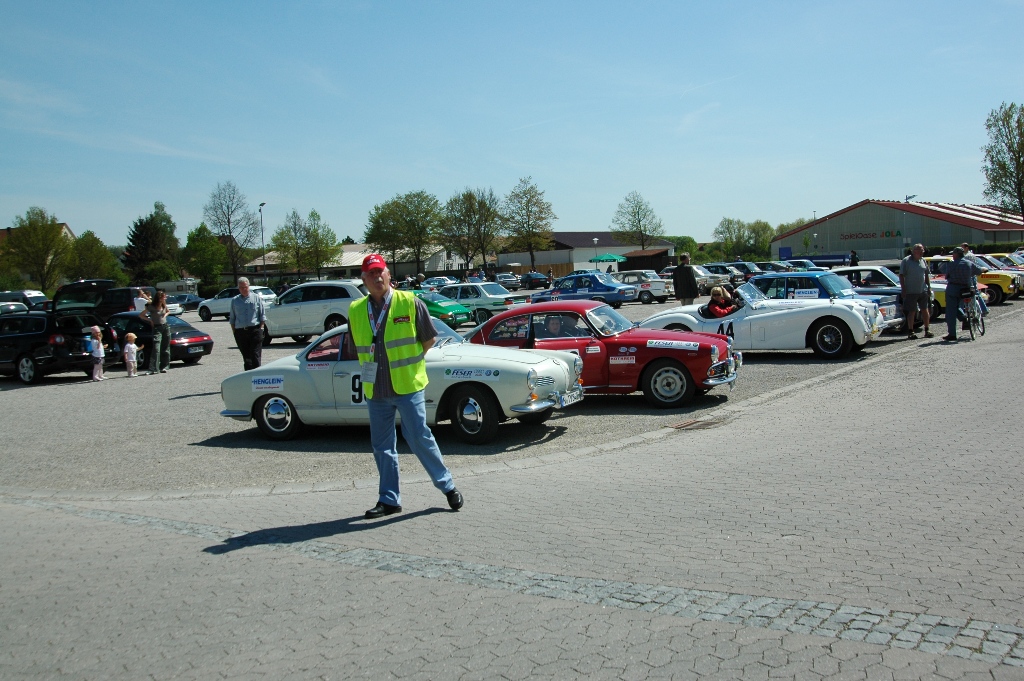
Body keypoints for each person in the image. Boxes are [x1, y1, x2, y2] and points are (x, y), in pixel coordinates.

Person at [347, 253, 463, 519]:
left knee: (419, 437)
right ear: (364, 279)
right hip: (376, 390)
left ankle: (447, 486)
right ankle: (389, 500)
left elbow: (429, 339)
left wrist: (410, 364)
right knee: (382, 446)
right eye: (371, 274)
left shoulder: (410, 302)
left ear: (389, 274)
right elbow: (355, 348)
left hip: (408, 386)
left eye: (380, 272)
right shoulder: (355, 310)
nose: (377, 277)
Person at [939, 247, 986, 341]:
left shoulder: (951, 264)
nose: (952, 255)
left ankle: (952, 333)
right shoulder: (969, 263)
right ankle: (965, 318)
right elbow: (979, 271)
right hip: (966, 289)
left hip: (953, 289)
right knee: (960, 306)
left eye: (953, 254)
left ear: (956, 254)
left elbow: (947, 276)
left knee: (951, 311)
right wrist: (984, 269)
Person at [228, 277, 267, 371]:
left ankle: (257, 375)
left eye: (245, 287)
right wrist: (235, 332)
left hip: (255, 330)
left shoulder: (256, 298)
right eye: (241, 287)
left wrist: (261, 329)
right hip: (241, 332)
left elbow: (262, 315)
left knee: (255, 355)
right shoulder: (235, 300)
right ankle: (248, 376)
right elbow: (232, 318)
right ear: (238, 288)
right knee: (247, 358)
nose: (244, 289)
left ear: (249, 286)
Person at [899, 243, 933, 340]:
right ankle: (911, 331)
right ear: (914, 251)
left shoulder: (923, 260)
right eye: (920, 250)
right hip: (911, 291)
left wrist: (929, 287)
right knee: (912, 311)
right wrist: (903, 289)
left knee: (925, 310)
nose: (922, 252)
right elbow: (901, 275)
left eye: (922, 250)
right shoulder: (906, 261)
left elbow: (926, 275)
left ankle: (927, 330)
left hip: (923, 290)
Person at [140, 290, 171, 374]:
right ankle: (153, 368)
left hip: (165, 327)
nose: (165, 298)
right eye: (163, 297)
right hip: (157, 328)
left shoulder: (164, 304)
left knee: (165, 347)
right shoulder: (152, 306)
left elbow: (168, 311)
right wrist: (150, 320)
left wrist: (165, 315)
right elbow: (141, 315)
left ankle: (164, 366)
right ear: (159, 298)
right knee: (156, 348)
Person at [960, 243, 990, 316]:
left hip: (968, 276)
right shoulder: (972, 255)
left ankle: (963, 312)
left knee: (964, 294)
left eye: (962, 248)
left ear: (967, 248)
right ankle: (984, 309)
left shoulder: (966, 256)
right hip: (974, 275)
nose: (961, 249)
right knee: (976, 293)